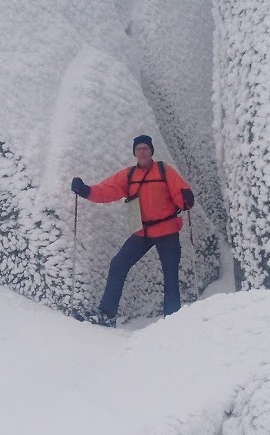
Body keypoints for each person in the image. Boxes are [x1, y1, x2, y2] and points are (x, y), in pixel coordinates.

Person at [71, 135, 195, 326]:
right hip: (142, 233)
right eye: (139, 149)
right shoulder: (129, 176)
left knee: (170, 275)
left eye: (145, 148)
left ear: (151, 151)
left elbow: (180, 193)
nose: (142, 152)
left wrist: (186, 198)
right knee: (118, 264)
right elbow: (107, 190)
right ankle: (107, 314)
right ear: (135, 152)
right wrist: (85, 190)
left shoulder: (164, 171)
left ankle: (172, 322)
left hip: (167, 231)